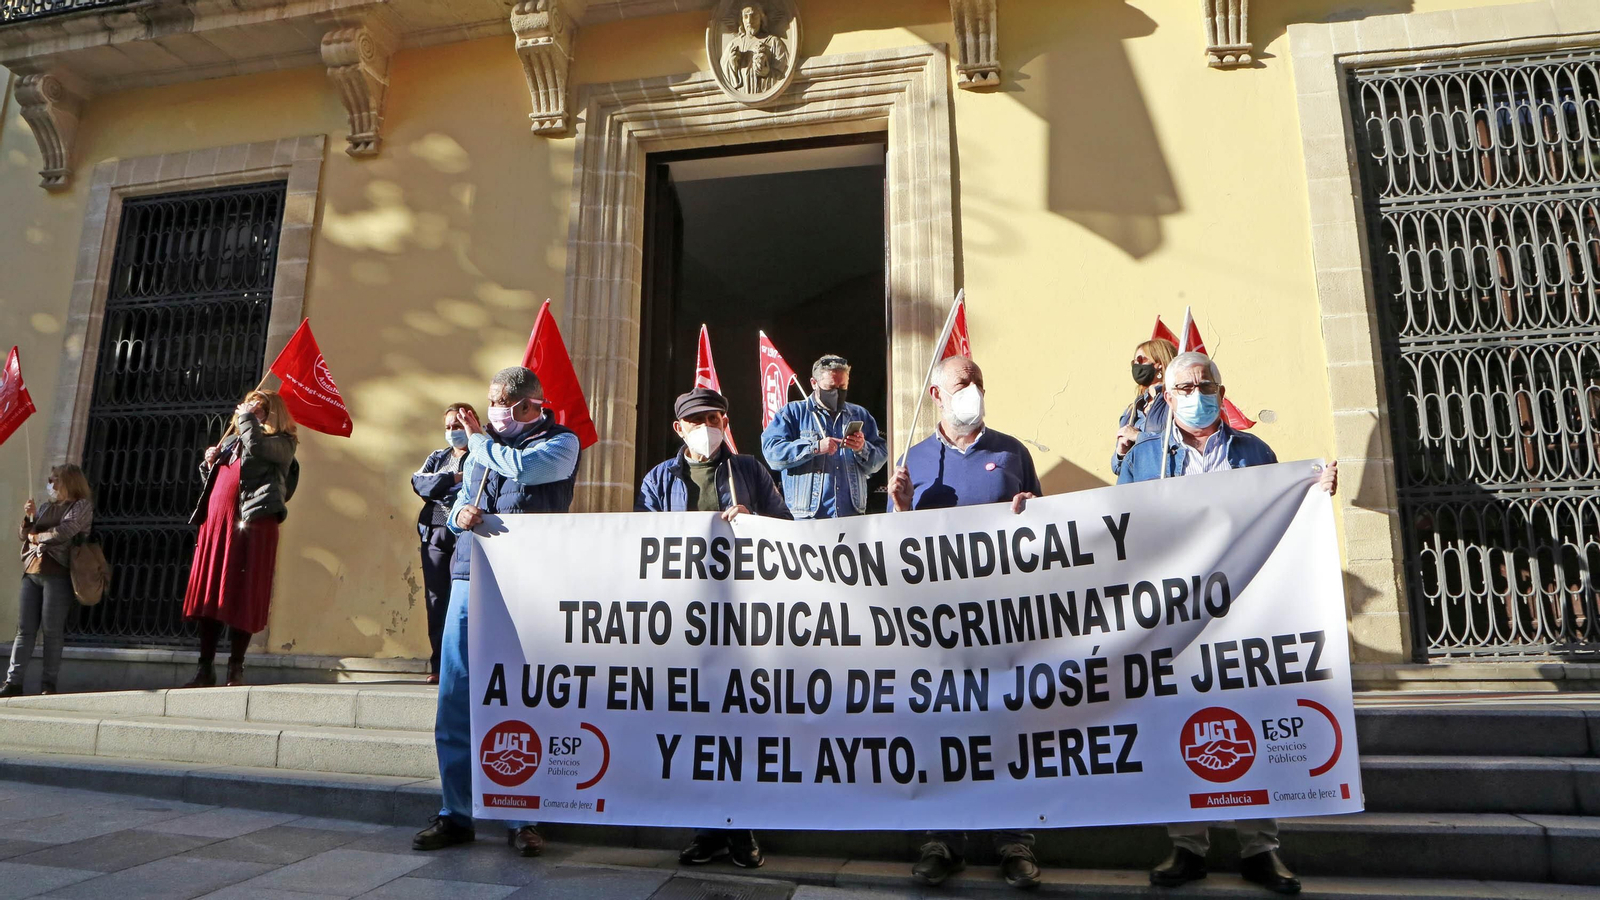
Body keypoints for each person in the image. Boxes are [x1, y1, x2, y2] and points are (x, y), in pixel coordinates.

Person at [1118, 350, 1337, 896]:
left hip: (1246, 614)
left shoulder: (1254, 451)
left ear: (1220, 388)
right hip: (1173, 620)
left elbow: (1283, 516)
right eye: (1185, 387)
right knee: (1175, 726)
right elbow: (1115, 530)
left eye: (1205, 383)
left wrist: (1314, 494)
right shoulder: (1146, 457)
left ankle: (1261, 850)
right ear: (1166, 397)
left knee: (1249, 719)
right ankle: (1187, 846)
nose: (1197, 394)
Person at [887, 355, 1042, 890]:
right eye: (961, 382)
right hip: (936, 628)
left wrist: (1030, 512)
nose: (971, 388)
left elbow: (1049, 537)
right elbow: (892, 553)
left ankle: (1013, 842)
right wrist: (902, 510)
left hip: (1003, 621)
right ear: (937, 395)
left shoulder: (1012, 452)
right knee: (942, 726)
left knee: (1007, 724)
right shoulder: (913, 461)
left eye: (977, 380)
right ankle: (943, 840)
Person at [413, 367, 580, 860]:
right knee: (457, 695)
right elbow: (466, 497)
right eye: (490, 401)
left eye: (501, 402)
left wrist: (481, 439)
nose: (492, 410)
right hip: (471, 578)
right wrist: (462, 515)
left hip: (530, 584)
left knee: (521, 696)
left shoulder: (561, 442)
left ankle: (522, 818)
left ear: (531, 405)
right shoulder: (482, 450)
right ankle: (455, 812)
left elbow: (523, 470)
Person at [638, 387, 788, 869]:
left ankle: (740, 830)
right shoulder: (661, 479)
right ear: (679, 428)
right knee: (695, 725)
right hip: (683, 620)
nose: (708, 425)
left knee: (738, 725)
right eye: (697, 419)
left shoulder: (749, 471)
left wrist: (755, 521)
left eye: (715, 416)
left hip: (742, 620)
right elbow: (640, 541)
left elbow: (785, 526)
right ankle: (706, 830)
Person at [182, 390, 299, 688]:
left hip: (253, 526)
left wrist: (246, 419)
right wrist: (209, 465)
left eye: (258, 407)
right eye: (248, 406)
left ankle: (236, 668)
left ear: (272, 413)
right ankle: (204, 668)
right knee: (211, 596)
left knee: (243, 593)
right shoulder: (235, 440)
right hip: (217, 525)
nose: (248, 410)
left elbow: (257, 448)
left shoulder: (283, 442)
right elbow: (222, 481)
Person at [2, 465, 93, 697]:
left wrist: (37, 537)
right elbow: (24, 535)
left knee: (52, 630)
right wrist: (28, 518)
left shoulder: (80, 505)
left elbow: (65, 531)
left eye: (54, 480)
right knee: (24, 629)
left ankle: (48, 683)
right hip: (32, 572)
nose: (50, 485)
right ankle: (13, 681)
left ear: (68, 482)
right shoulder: (45, 507)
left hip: (58, 573)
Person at [760, 354, 888, 518]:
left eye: (842, 388)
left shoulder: (859, 414)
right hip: (808, 518)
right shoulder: (792, 413)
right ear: (814, 383)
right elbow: (772, 453)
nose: (837, 394)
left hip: (850, 516)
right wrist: (814, 448)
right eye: (830, 388)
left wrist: (862, 448)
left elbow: (878, 461)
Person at [411, 403, 478, 684]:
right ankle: (439, 664)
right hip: (435, 532)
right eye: (448, 427)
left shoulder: (480, 454)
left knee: (464, 599)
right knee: (437, 599)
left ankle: (466, 664)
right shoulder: (438, 457)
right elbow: (420, 484)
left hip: (467, 535)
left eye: (457, 427)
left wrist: (448, 485)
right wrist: (453, 478)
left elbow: (474, 487)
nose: (452, 432)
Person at [1111, 337, 1176, 477]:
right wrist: (1121, 453)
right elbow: (1117, 468)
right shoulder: (1132, 410)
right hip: (1137, 490)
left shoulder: (1174, 402)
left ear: (1159, 363)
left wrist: (1138, 437)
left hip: (1167, 484)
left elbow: (1182, 443)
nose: (1136, 364)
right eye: (1134, 362)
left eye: (1141, 359)